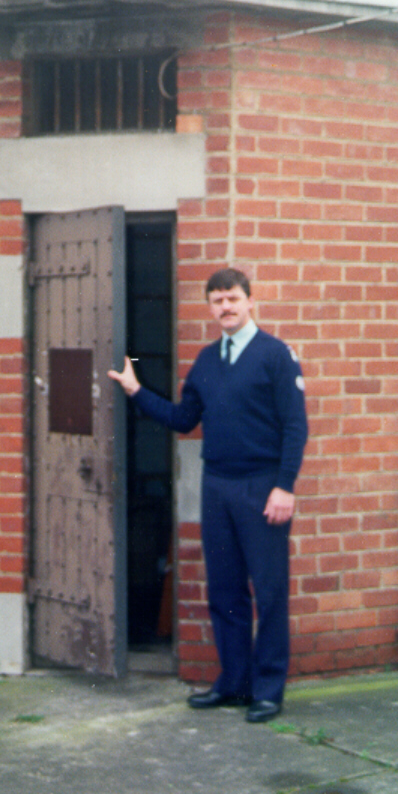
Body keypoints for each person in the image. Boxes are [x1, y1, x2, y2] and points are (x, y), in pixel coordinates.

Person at [108, 267, 308, 723]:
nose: (226, 307)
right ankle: (234, 683)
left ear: (250, 301)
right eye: (217, 301)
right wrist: (136, 390)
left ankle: (268, 689)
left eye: (233, 298)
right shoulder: (206, 361)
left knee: (270, 591)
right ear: (211, 307)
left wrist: (285, 485)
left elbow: (296, 427)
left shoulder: (276, 355)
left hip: (263, 487)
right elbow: (183, 420)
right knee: (224, 589)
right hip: (217, 486)